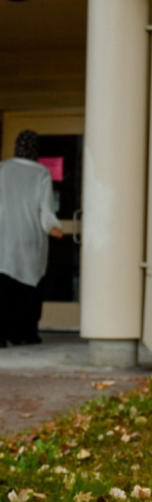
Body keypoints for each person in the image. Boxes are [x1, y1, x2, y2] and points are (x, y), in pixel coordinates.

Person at [0, 130, 63, 347]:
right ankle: (24, 334)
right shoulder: (41, 174)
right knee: (28, 290)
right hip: (30, 240)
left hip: (4, 239)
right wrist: (53, 227)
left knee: (4, 289)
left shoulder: (3, 169)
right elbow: (45, 211)